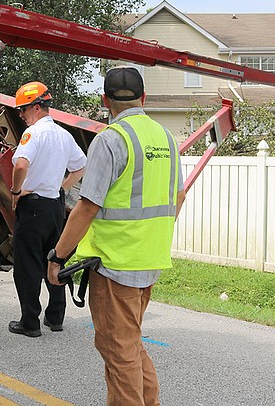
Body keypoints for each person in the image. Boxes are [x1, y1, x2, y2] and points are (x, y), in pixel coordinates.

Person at [47, 66, 186, 406]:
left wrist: (58, 256)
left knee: (119, 352)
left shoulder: (112, 139)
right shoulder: (166, 138)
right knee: (130, 346)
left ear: (105, 100)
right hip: (149, 260)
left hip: (115, 266)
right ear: (144, 98)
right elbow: (178, 197)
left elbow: (86, 208)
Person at [8, 81, 86, 337]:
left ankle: (29, 321)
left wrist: (16, 192)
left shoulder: (33, 134)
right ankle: (55, 317)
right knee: (54, 258)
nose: (21, 115)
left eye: (23, 110)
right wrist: (62, 187)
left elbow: (20, 166)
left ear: (37, 107)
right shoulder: (64, 135)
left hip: (32, 207)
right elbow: (81, 167)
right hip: (54, 206)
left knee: (27, 265)